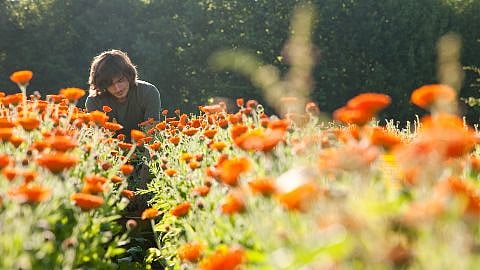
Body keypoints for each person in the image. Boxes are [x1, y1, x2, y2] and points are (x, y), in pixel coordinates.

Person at [85, 49, 161, 141]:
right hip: (110, 152)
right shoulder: (94, 102)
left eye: (120, 81)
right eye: (110, 84)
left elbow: (152, 137)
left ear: (129, 75)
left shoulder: (148, 92)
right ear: (102, 85)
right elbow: (98, 141)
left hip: (144, 150)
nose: (117, 88)